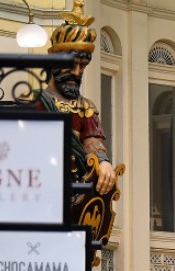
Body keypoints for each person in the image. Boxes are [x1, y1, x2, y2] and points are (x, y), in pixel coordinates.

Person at [34, 0, 119, 197]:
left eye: (82, 67)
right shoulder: (35, 102)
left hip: (75, 192)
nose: (76, 72)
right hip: (39, 187)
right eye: (71, 65)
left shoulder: (85, 107)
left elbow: (93, 144)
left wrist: (104, 162)